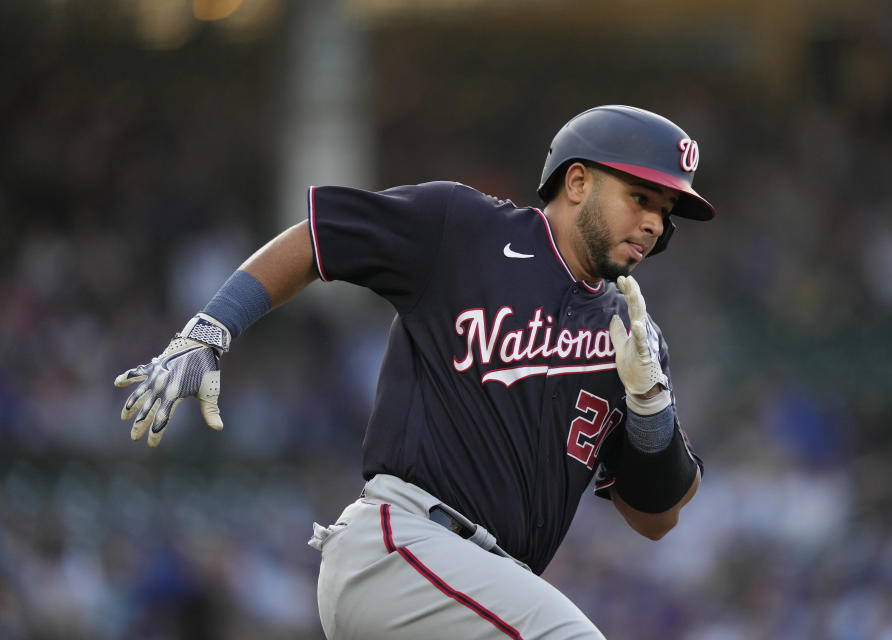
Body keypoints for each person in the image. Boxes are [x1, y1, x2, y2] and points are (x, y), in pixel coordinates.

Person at [115, 105, 715, 639]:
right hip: (403, 549)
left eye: (665, 212)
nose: (654, 224)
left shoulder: (631, 336)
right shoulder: (463, 226)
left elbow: (655, 517)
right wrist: (208, 330)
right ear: (578, 181)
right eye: (641, 197)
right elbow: (320, 241)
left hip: (478, 594)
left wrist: (650, 404)